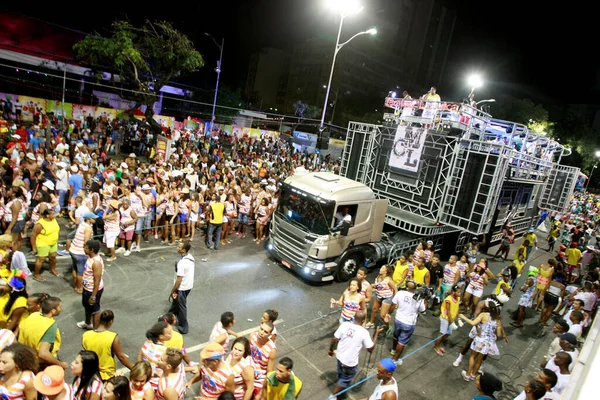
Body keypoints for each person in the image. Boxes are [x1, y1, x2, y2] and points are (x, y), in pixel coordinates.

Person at [329, 310, 381, 399]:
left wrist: (331, 349)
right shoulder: (364, 332)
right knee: (346, 379)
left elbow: (335, 339)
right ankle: (333, 396)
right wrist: (376, 334)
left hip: (340, 356)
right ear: (364, 320)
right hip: (349, 362)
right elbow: (370, 348)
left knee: (341, 373)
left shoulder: (344, 325)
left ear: (354, 317)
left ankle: (339, 388)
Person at [18, 296, 67, 370]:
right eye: (60, 307)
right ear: (53, 311)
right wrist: (61, 364)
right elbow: (43, 354)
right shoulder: (50, 326)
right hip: (41, 364)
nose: (61, 309)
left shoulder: (33, 315)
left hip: (27, 356)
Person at [82, 310, 133, 381]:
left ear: (99, 320)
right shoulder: (112, 337)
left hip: (91, 375)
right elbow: (121, 357)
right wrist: (134, 369)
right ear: (110, 322)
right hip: (107, 376)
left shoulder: (86, 335)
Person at [386, 280, 427, 363]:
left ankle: (393, 350)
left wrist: (389, 314)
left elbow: (393, 305)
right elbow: (423, 310)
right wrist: (425, 299)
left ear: (407, 287)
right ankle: (395, 360)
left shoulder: (400, 293)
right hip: (409, 323)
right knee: (402, 341)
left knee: (396, 335)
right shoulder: (419, 298)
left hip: (398, 319)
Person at [169, 241, 195, 335]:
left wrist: (173, 290)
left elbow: (179, 279)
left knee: (181, 307)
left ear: (184, 250)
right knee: (176, 303)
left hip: (181, 288)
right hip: (188, 286)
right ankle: (168, 317)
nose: (177, 247)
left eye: (179, 247)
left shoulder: (182, 263)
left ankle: (183, 327)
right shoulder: (190, 257)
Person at [31, 209, 60, 282]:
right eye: (53, 214)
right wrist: (34, 247)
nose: (54, 215)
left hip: (53, 243)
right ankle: (36, 274)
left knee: (53, 257)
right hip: (43, 244)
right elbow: (33, 235)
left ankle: (52, 269)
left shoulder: (53, 220)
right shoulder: (40, 224)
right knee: (41, 260)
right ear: (47, 215)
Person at [249, 322, 277, 399]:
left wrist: (261, 392)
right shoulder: (252, 336)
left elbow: (269, 373)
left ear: (270, 335)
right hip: (248, 373)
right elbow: (248, 354)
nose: (262, 333)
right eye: (261, 329)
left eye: (266, 332)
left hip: (259, 380)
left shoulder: (272, 350)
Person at [433, 285, 461, 356]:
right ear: (453, 292)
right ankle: (436, 346)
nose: (460, 293)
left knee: (449, 332)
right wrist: (452, 322)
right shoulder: (448, 299)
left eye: (460, 292)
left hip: (452, 318)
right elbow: (448, 311)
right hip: (445, 318)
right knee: (442, 333)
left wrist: (459, 319)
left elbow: (457, 308)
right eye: (458, 292)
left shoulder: (458, 298)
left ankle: (439, 344)